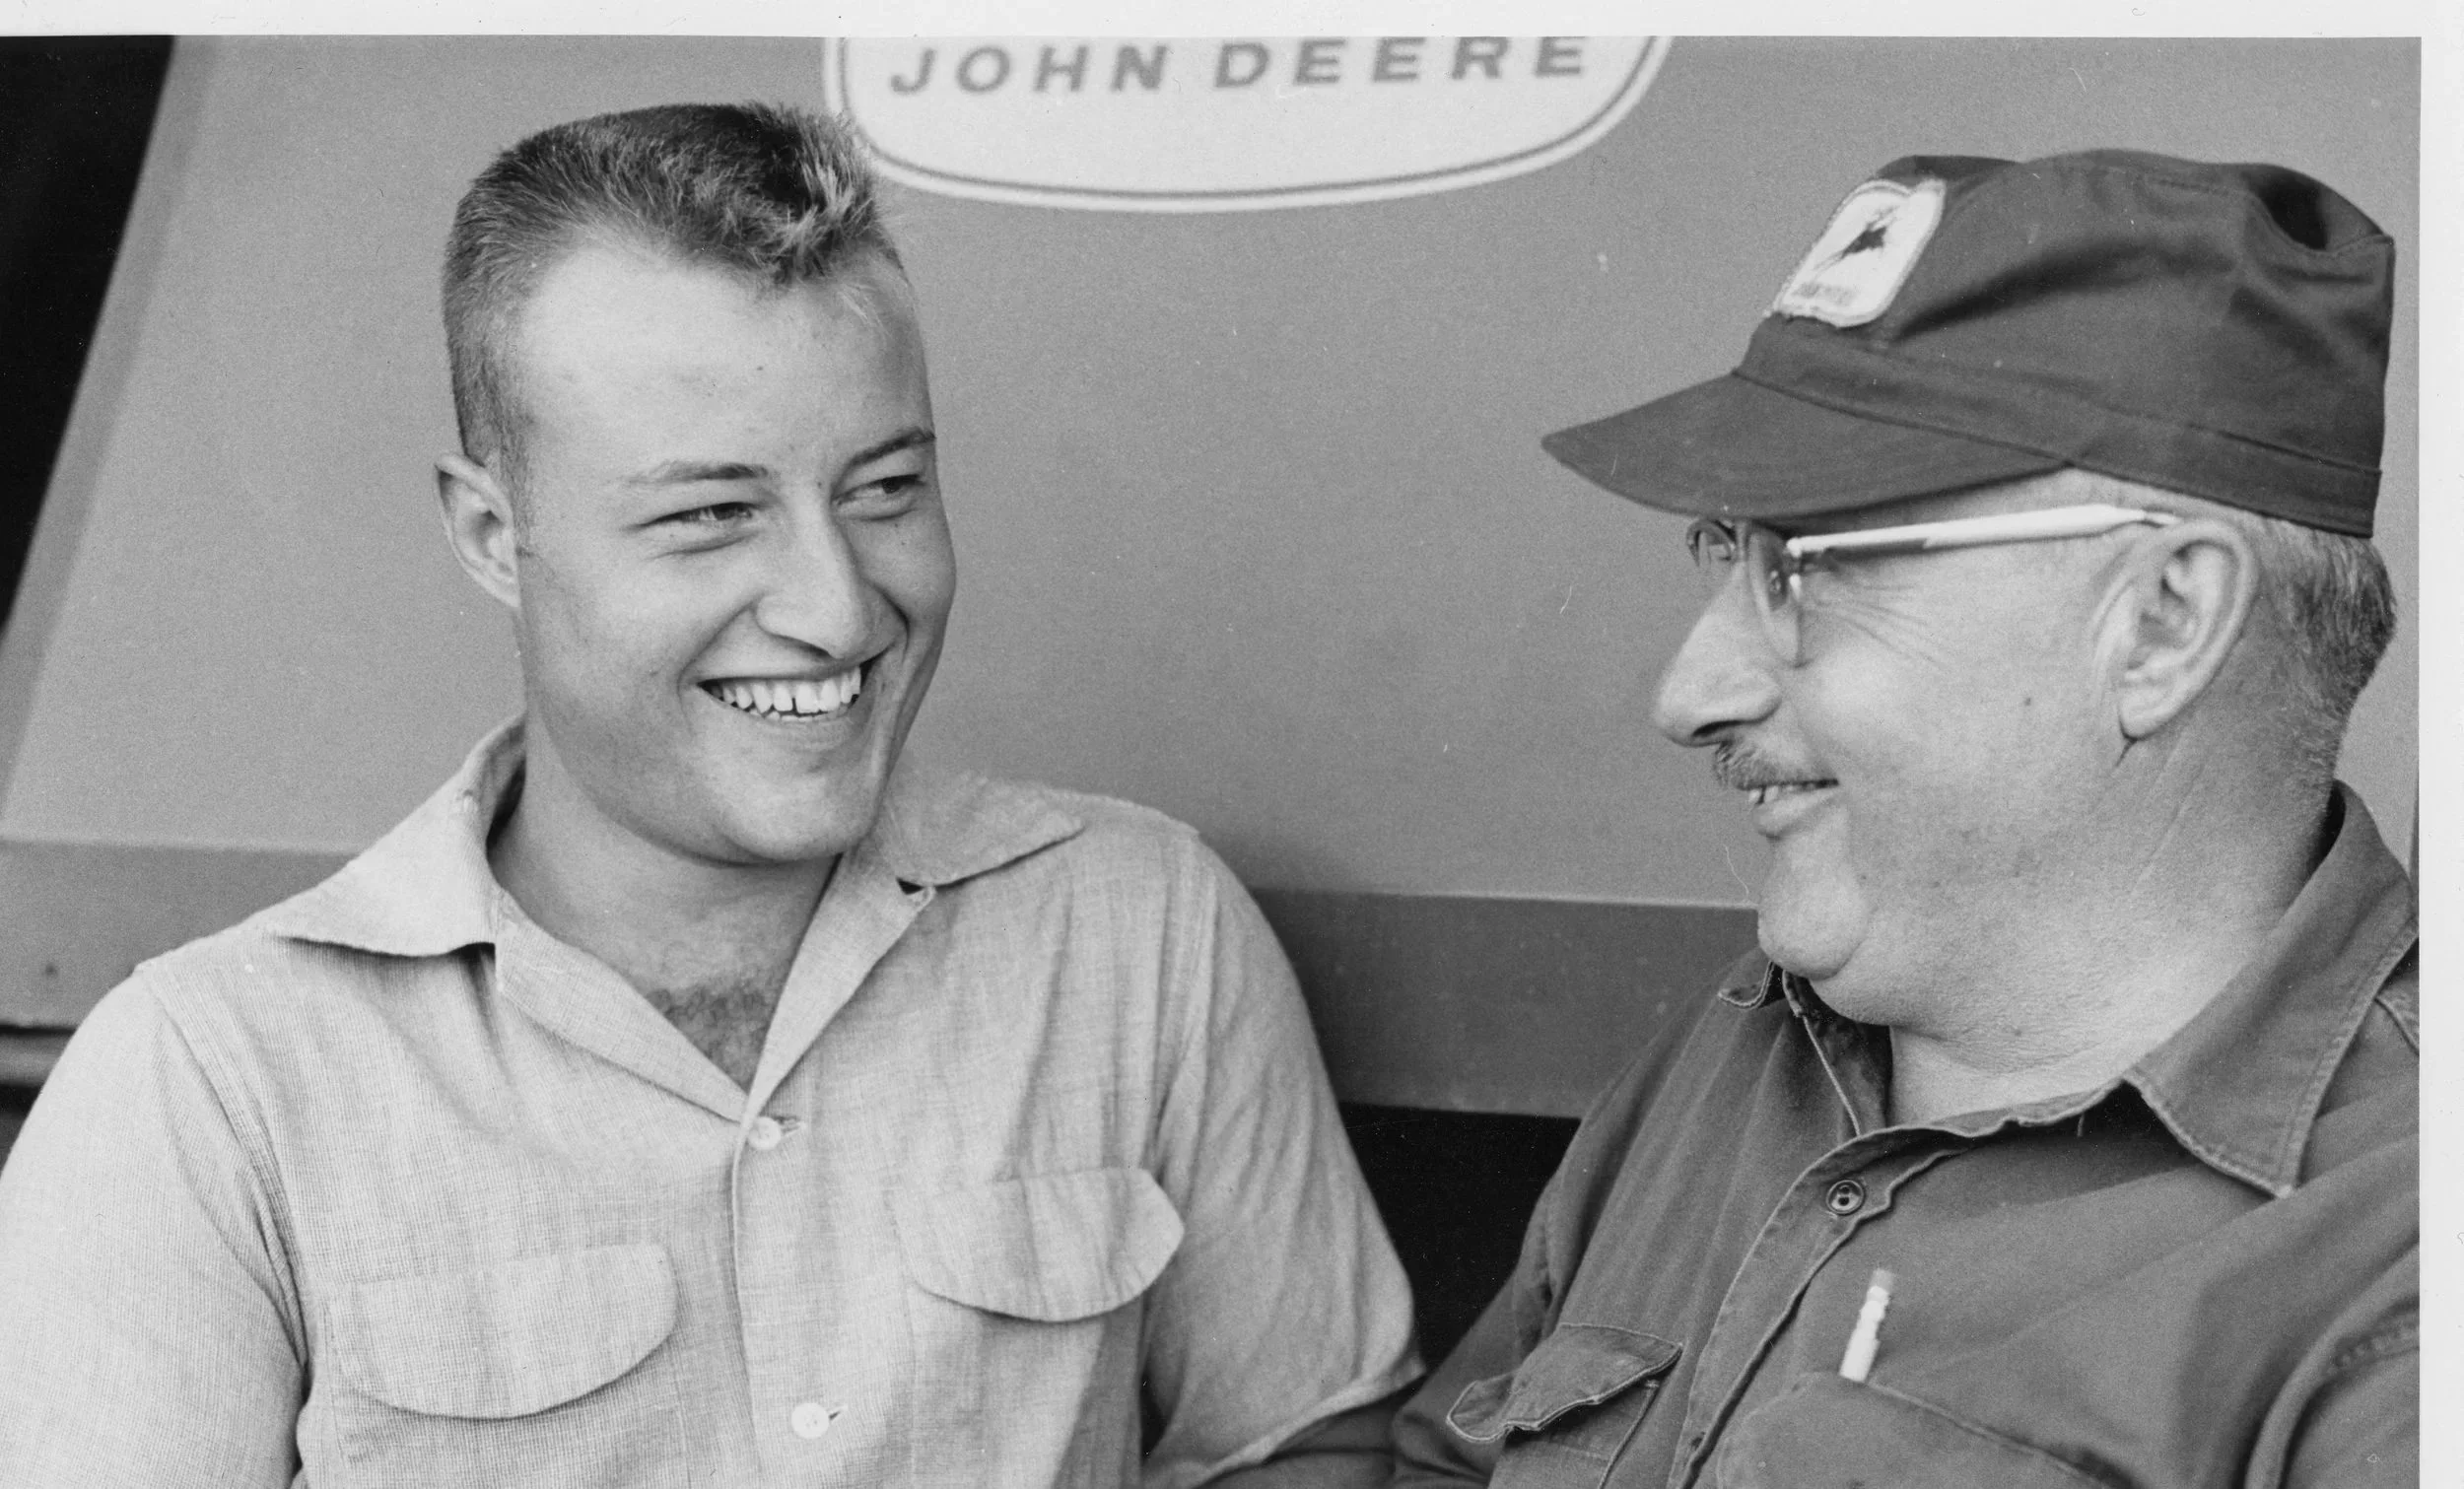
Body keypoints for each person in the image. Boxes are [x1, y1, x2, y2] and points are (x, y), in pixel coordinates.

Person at [0, 102, 1416, 1486]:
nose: (835, 605)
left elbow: (1305, 1438)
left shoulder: (1143, 927)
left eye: (884, 488)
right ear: (496, 533)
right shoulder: (206, 1087)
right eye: (710, 514)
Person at [1391, 150, 2414, 1487]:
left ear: (2163, 623)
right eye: (1725, 552)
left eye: (1806, 572)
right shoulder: (1739, 1050)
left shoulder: (2390, 1273)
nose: (1688, 693)